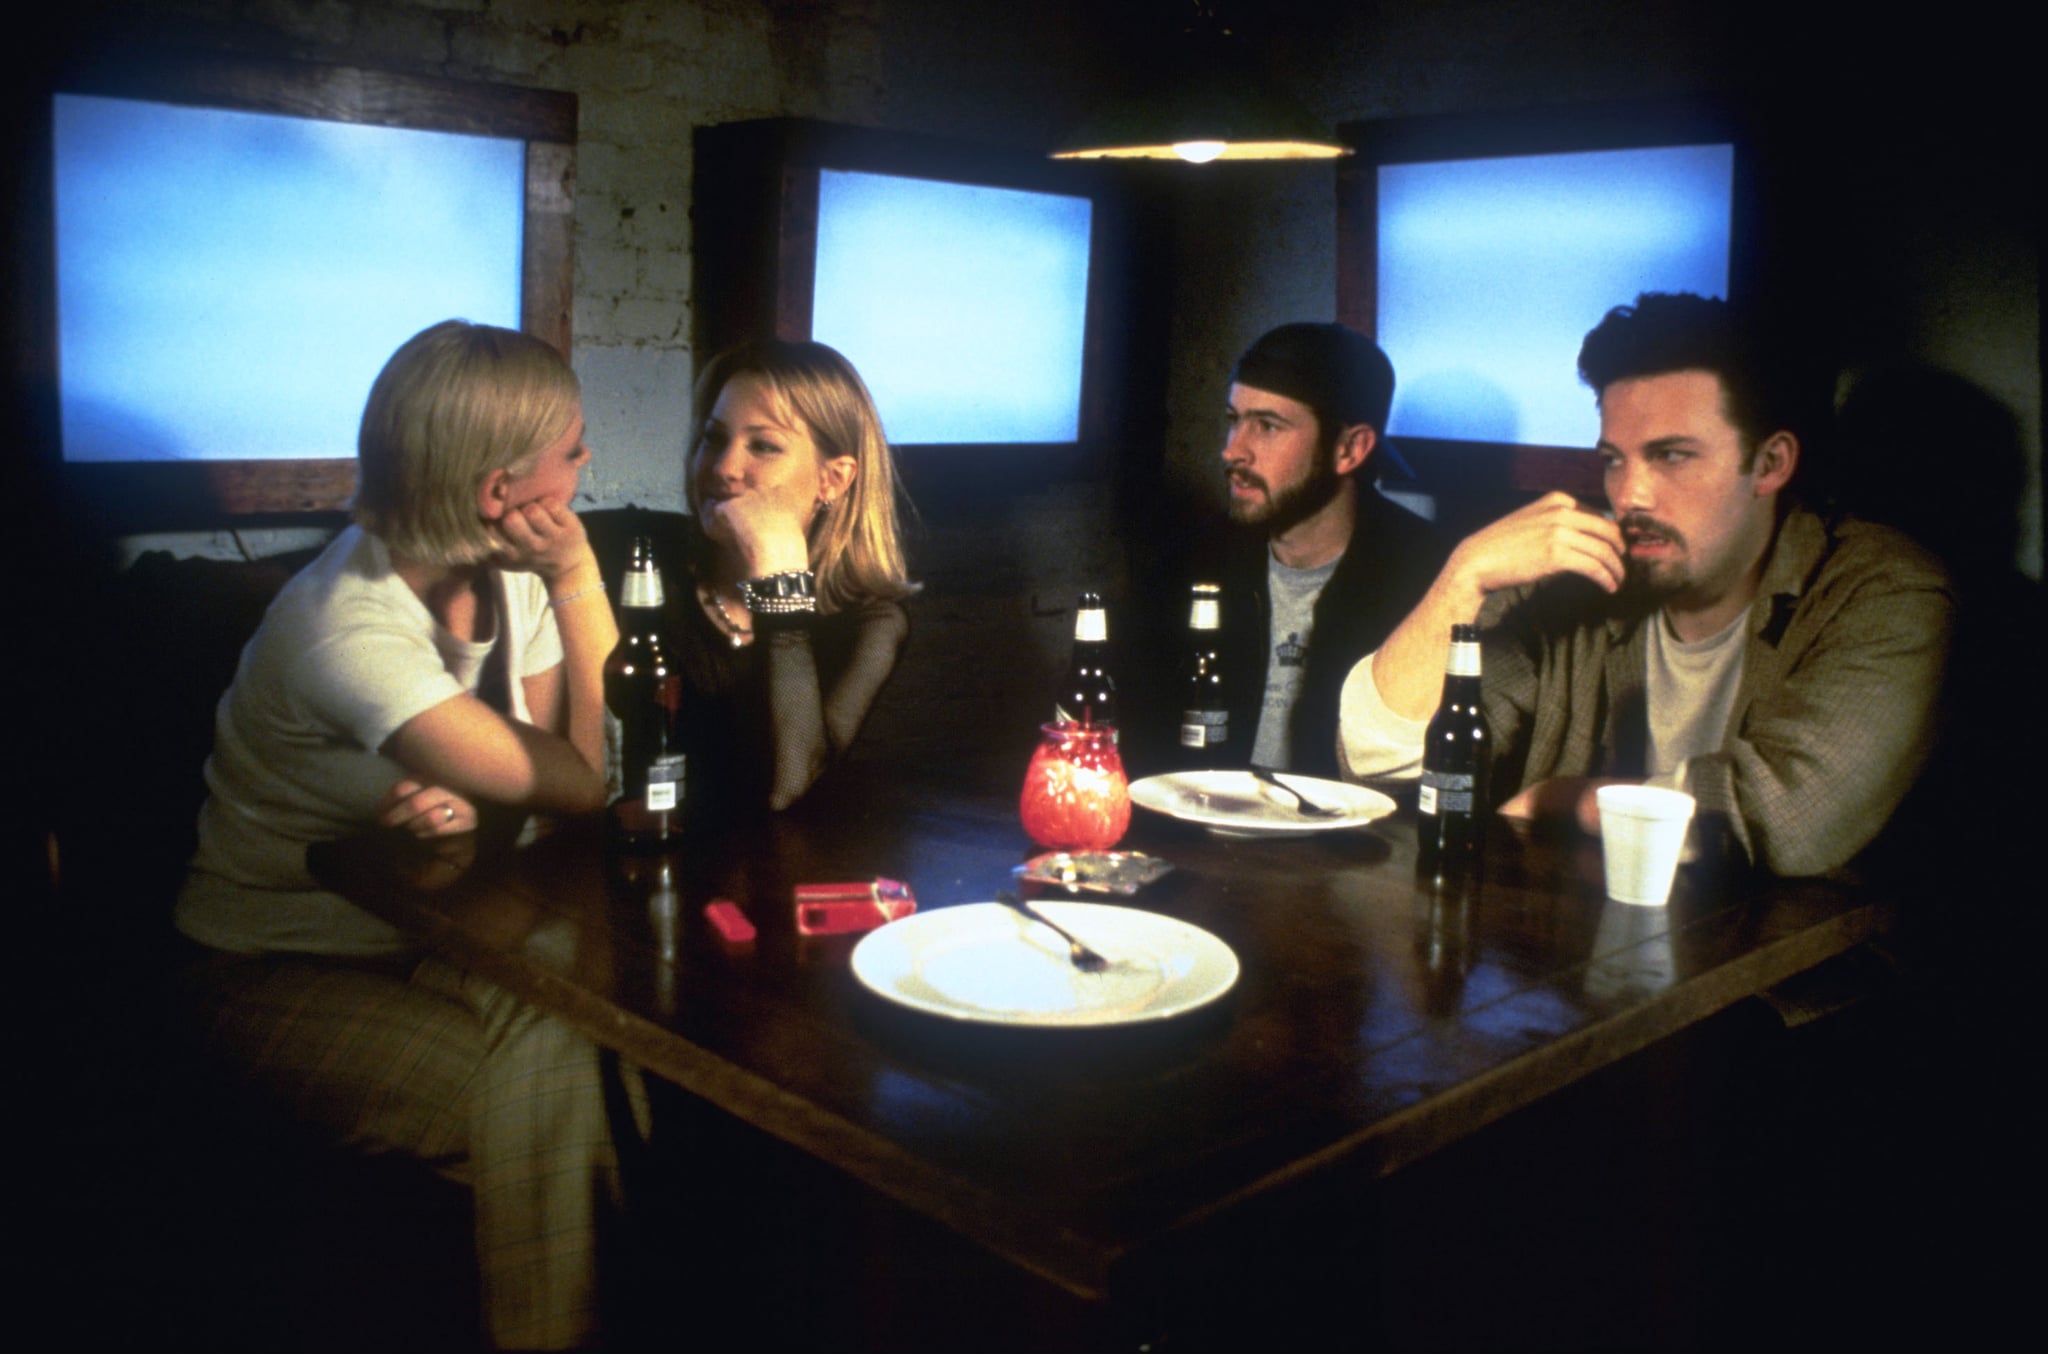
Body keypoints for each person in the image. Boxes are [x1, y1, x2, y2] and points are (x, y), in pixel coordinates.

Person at [173, 320, 631, 1350]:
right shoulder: (348, 631)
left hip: (436, 937)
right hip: (266, 966)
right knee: (552, 1101)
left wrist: (511, 789)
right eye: (571, 445)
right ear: (497, 490)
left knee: (589, 1042)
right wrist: (580, 575)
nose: (586, 460)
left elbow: (588, 757)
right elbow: (597, 777)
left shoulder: (506, 569)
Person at [1338, 292, 1954, 876]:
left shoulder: (1884, 590)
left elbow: (1791, 817)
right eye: (1614, 460)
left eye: (1672, 456)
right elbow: (1383, 763)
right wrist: (1462, 575)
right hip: (1569, 958)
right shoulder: (1579, 581)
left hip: (1782, 978)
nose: (1630, 495)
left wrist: (1568, 799)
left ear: (1770, 464)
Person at [666, 337, 914, 811]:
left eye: (763, 446)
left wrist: (779, 583)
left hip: (777, 877)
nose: (723, 468)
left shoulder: (873, 622)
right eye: (713, 438)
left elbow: (789, 785)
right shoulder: (642, 558)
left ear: (834, 479)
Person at [1195, 322, 1450, 776]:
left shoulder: (1429, 583)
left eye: (1268, 427)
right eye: (1234, 421)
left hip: (1352, 844)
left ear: (1350, 449)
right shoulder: (1195, 565)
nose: (1233, 451)